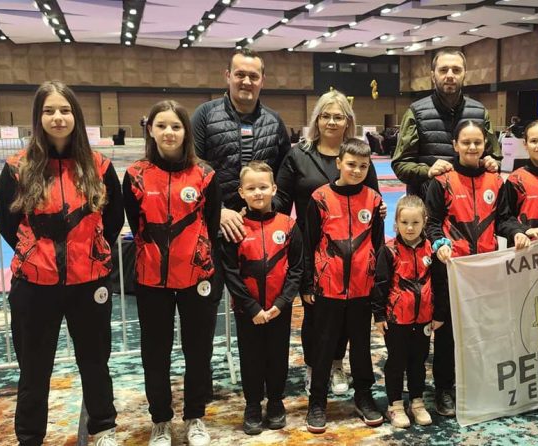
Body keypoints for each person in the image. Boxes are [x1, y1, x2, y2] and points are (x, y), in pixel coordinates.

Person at [0, 81, 122, 446]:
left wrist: (88, 254)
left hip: (89, 284)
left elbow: (113, 221)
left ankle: (103, 428)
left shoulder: (99, 166)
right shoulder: (18, 168)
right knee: (34, 370)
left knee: (95, 363)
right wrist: (39, 257)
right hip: (35, 287)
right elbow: (7, 224)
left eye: (65, 110)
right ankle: (30, 437)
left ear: (76, 116)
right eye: (49, 111)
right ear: (38, 117)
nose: (58, 118)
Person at [122, 100, 220, 446]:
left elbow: (211, 225)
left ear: (185, 132)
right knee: (155, 353)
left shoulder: (204, 174)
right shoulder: (135, 175)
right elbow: (136, 224)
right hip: (152, 280)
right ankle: (160, 420)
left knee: (198, 351)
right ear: (150, 130)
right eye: (161, 125)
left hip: (197, 279)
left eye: (176, 126)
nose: (169, 132)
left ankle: (195, 416)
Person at [273, 90, 381, 397]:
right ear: (316, 119)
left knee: (346, 316)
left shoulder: (358, 157)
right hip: (310, 246)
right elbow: (281, 200)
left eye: (338, 117)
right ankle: (313, 367)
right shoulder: (298, 155)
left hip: (352, 252)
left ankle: (336, 364)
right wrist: (257, 213)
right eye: (326, 116)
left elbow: (373, 198)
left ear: (348, 122)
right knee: (314, 314)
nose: (331, 122)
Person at [303, 138, 385, 434]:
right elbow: (309, 242)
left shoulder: (374, 200)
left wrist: (378, 285)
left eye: (363, 166)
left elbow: (378, 245)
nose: (357, 170)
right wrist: (307, 284)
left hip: (362, 289)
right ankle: (317, 402)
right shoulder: (319, 198)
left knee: (361, 347)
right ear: (338, 163)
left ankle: (363, 396)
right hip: (328, 289)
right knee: (324, 347)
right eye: (351, 164)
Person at [424, 120, 504, 417]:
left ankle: (476, 383)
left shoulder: (496, 181)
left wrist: (521, 232)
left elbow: (504, 219)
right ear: (455, 145)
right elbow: (432, 223)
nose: (472, 147)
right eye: (466, 142)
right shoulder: (442, 181)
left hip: (486, 270)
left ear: (485, 146)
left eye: (477, 142)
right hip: (452, 269)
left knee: (482, 329)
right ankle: (444, 388)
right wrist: (439, 244)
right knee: (447, 332)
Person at [221, 161, 302, 435]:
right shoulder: (235, 228)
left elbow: (297, 269)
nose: (258, 193)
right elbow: (230, 272)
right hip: (248, 311)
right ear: (241, 192)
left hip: (279, 309)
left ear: (274, 189)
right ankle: (253, 405)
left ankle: (276, 401)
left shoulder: (288, 225)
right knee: (251, 357)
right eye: (251, 188)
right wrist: (251, 307)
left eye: (263, 187)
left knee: (278, 356)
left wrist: (282, 303)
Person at [192, 47, 291, 247]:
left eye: (253, 76)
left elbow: (285, 177)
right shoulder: (204, 115)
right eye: (240, 74)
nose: (246, 81)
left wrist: (266, 211)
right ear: (228, 76)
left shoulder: (274, 121)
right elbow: (193, 171)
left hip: (262, 231)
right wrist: (219, 211)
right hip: (216, 229)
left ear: (262, 80)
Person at [391, 48, 501, 198]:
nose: (450, 75)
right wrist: (428, 171)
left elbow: (496, 159)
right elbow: (400, 165)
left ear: (464, 74)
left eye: (456, 70)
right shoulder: (415, 112)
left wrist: (492, 164)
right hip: (428, 203)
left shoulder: (480, 113)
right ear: (433, 75)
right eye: (443, 70)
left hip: (470, 203)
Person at [372, 195, 435, 429]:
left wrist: (438, 314)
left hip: (424, 318)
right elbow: (380, 285)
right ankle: (395, 404)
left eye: (415, 223)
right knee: (397, 362)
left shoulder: (432, 249)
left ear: (424, 222)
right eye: (404, 222)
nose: (410, 228)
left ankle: (416, 401)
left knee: (419, 361)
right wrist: (379, 315)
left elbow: (439, 283)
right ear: (396, 223)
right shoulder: (389, 251)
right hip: (396, 320)